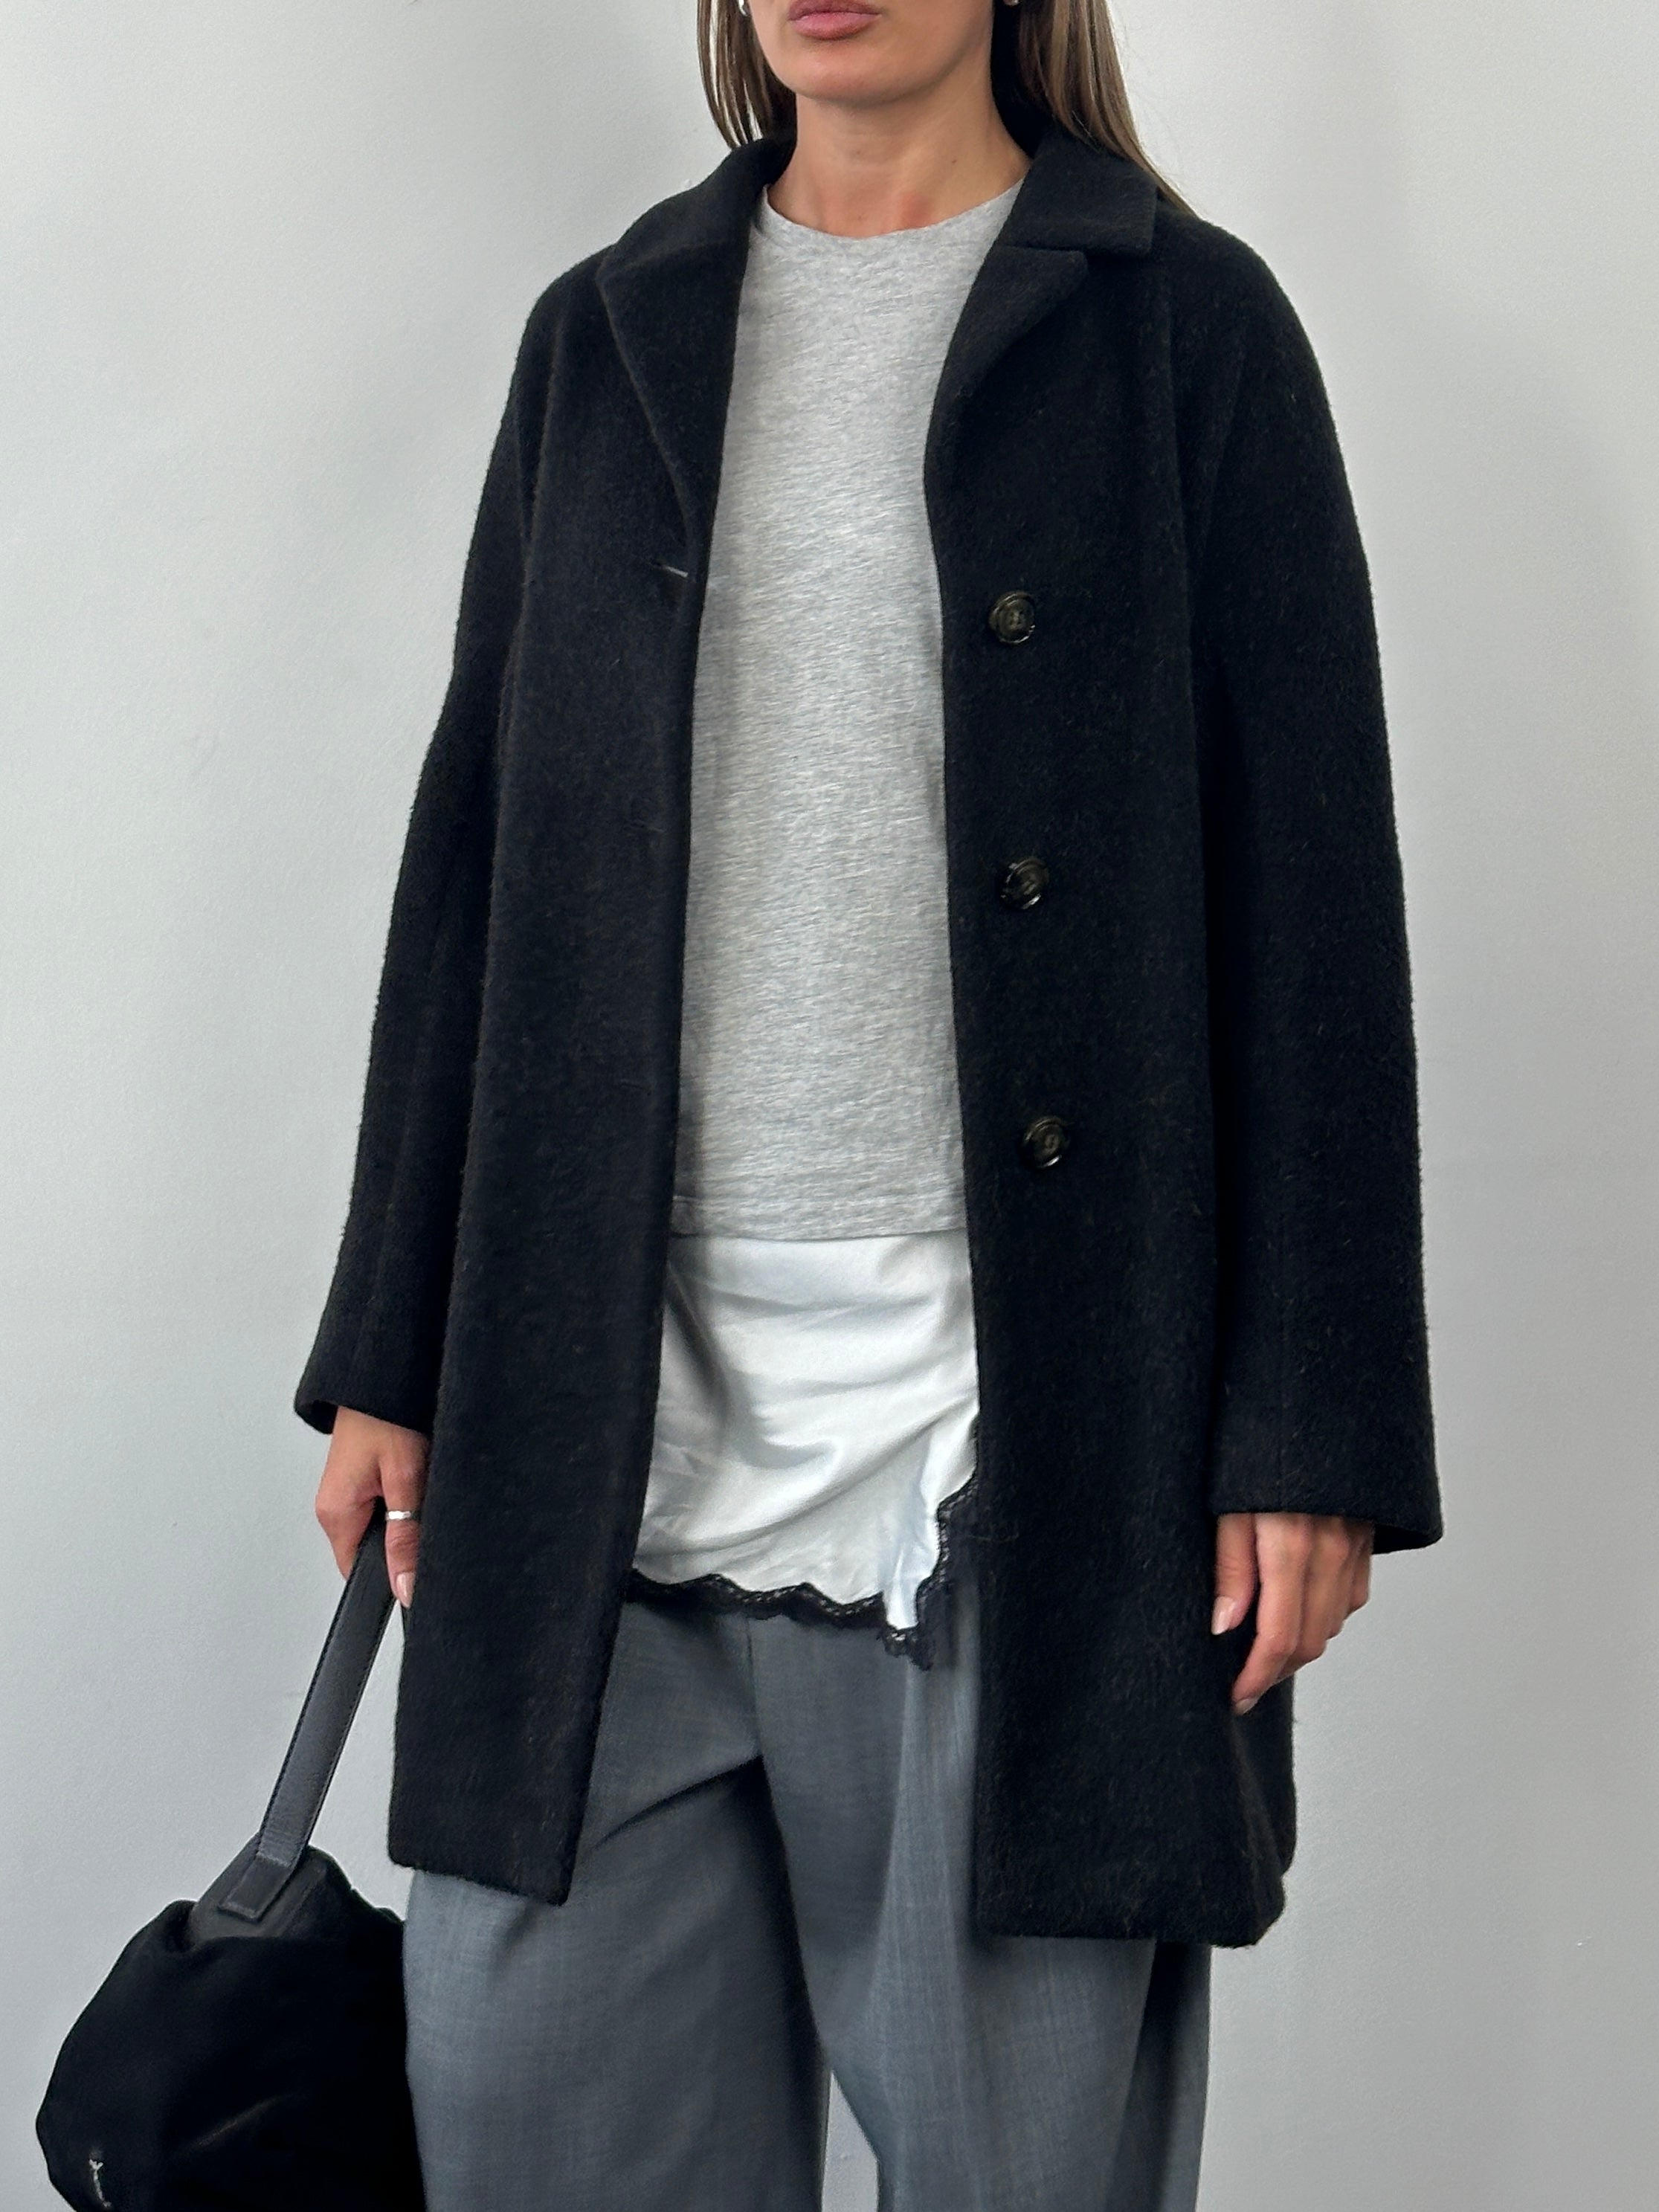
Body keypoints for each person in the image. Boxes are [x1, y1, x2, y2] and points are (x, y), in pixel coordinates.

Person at [304, 1, 1443, 2205]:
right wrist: (390, 1348)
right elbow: (477, 862)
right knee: (540, 2128)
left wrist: (1311, 1425)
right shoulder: (603, 334)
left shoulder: (1186, 331)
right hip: (596, 1434)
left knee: (1016, 2160)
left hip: (1015, 1443)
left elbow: (1311, 893)